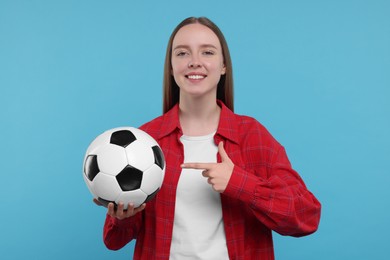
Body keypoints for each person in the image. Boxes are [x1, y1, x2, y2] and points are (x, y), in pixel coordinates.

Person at [96, 16, 321, 259]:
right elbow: (114, 240)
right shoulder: (146, 140)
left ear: (224, 66)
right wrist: (122, 218)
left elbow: (306, 217)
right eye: (182, 53)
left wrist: (239, 182)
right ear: (171, 67)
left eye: (207, 52)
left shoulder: (251, 135)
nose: (194, 62)